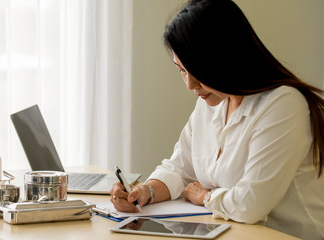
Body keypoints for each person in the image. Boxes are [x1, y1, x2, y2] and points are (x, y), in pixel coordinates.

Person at [109, 0, 324, 239]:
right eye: (181, 70)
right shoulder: (211, 103)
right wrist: (144, 191)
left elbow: (250, 205)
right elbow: (180, 168)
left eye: (195, 70)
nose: (190, 85)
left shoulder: (283, 104)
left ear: (225, 57)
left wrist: (205, 197)